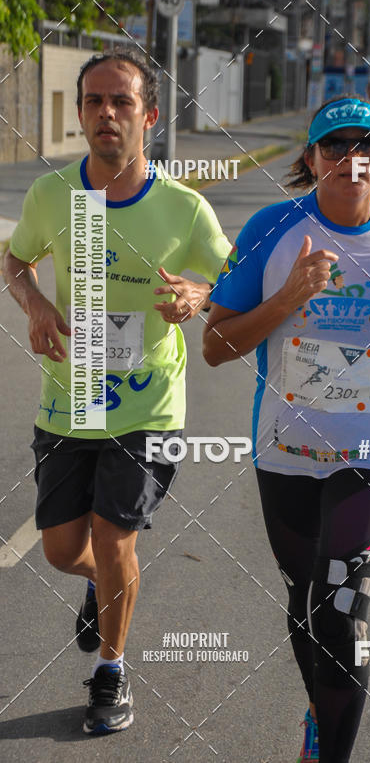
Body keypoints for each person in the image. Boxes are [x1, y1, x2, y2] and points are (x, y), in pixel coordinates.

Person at [203, 96, 370, 763]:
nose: (351, 158)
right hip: (284, 450)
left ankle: (330, 754)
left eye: (365, 145)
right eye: (334, 146)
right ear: (311, 158)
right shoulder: (268, 229)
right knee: (306, 600)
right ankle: (322, 712)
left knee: (340, 608)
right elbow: (214, 345)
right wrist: (287, 297)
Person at [2, 48, 231, 734]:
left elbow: (237, 284)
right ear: (79, 114)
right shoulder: (52, 197)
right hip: (70, 400)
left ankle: (112, 669)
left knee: (114, 533)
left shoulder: (185, 210)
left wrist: (202, 292)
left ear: (149, 117)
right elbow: (14, 261)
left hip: (148, 404)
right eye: (95, 101)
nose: (107, 113)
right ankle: (104, 586)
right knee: (60, 547)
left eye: (122, 101)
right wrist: (36, 305)